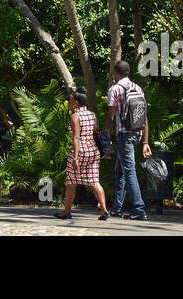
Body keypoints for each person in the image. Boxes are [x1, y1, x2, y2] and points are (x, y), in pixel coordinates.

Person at [106, 60, 152, 220]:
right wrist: (145, 142)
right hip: (138, 135)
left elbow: (111, 118)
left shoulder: (115, 89)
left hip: (124, 136)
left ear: (115, 73)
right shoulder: (138, 89)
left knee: (129, 170)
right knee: (120, 170)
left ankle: (139, 209)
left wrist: (106, 141)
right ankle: (117, 208)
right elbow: (144, 117)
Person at [56, 90, 110, 220]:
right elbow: (96, 132)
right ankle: (104, 210)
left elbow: (76, 138)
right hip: (93, 151)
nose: (68, 102)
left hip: (80, 151)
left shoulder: (75, 116)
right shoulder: (92, 115)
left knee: (71, 182)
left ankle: (67, 211)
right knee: (94, 181)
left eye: (70, 100)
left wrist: (75, 158)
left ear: (76, 102)